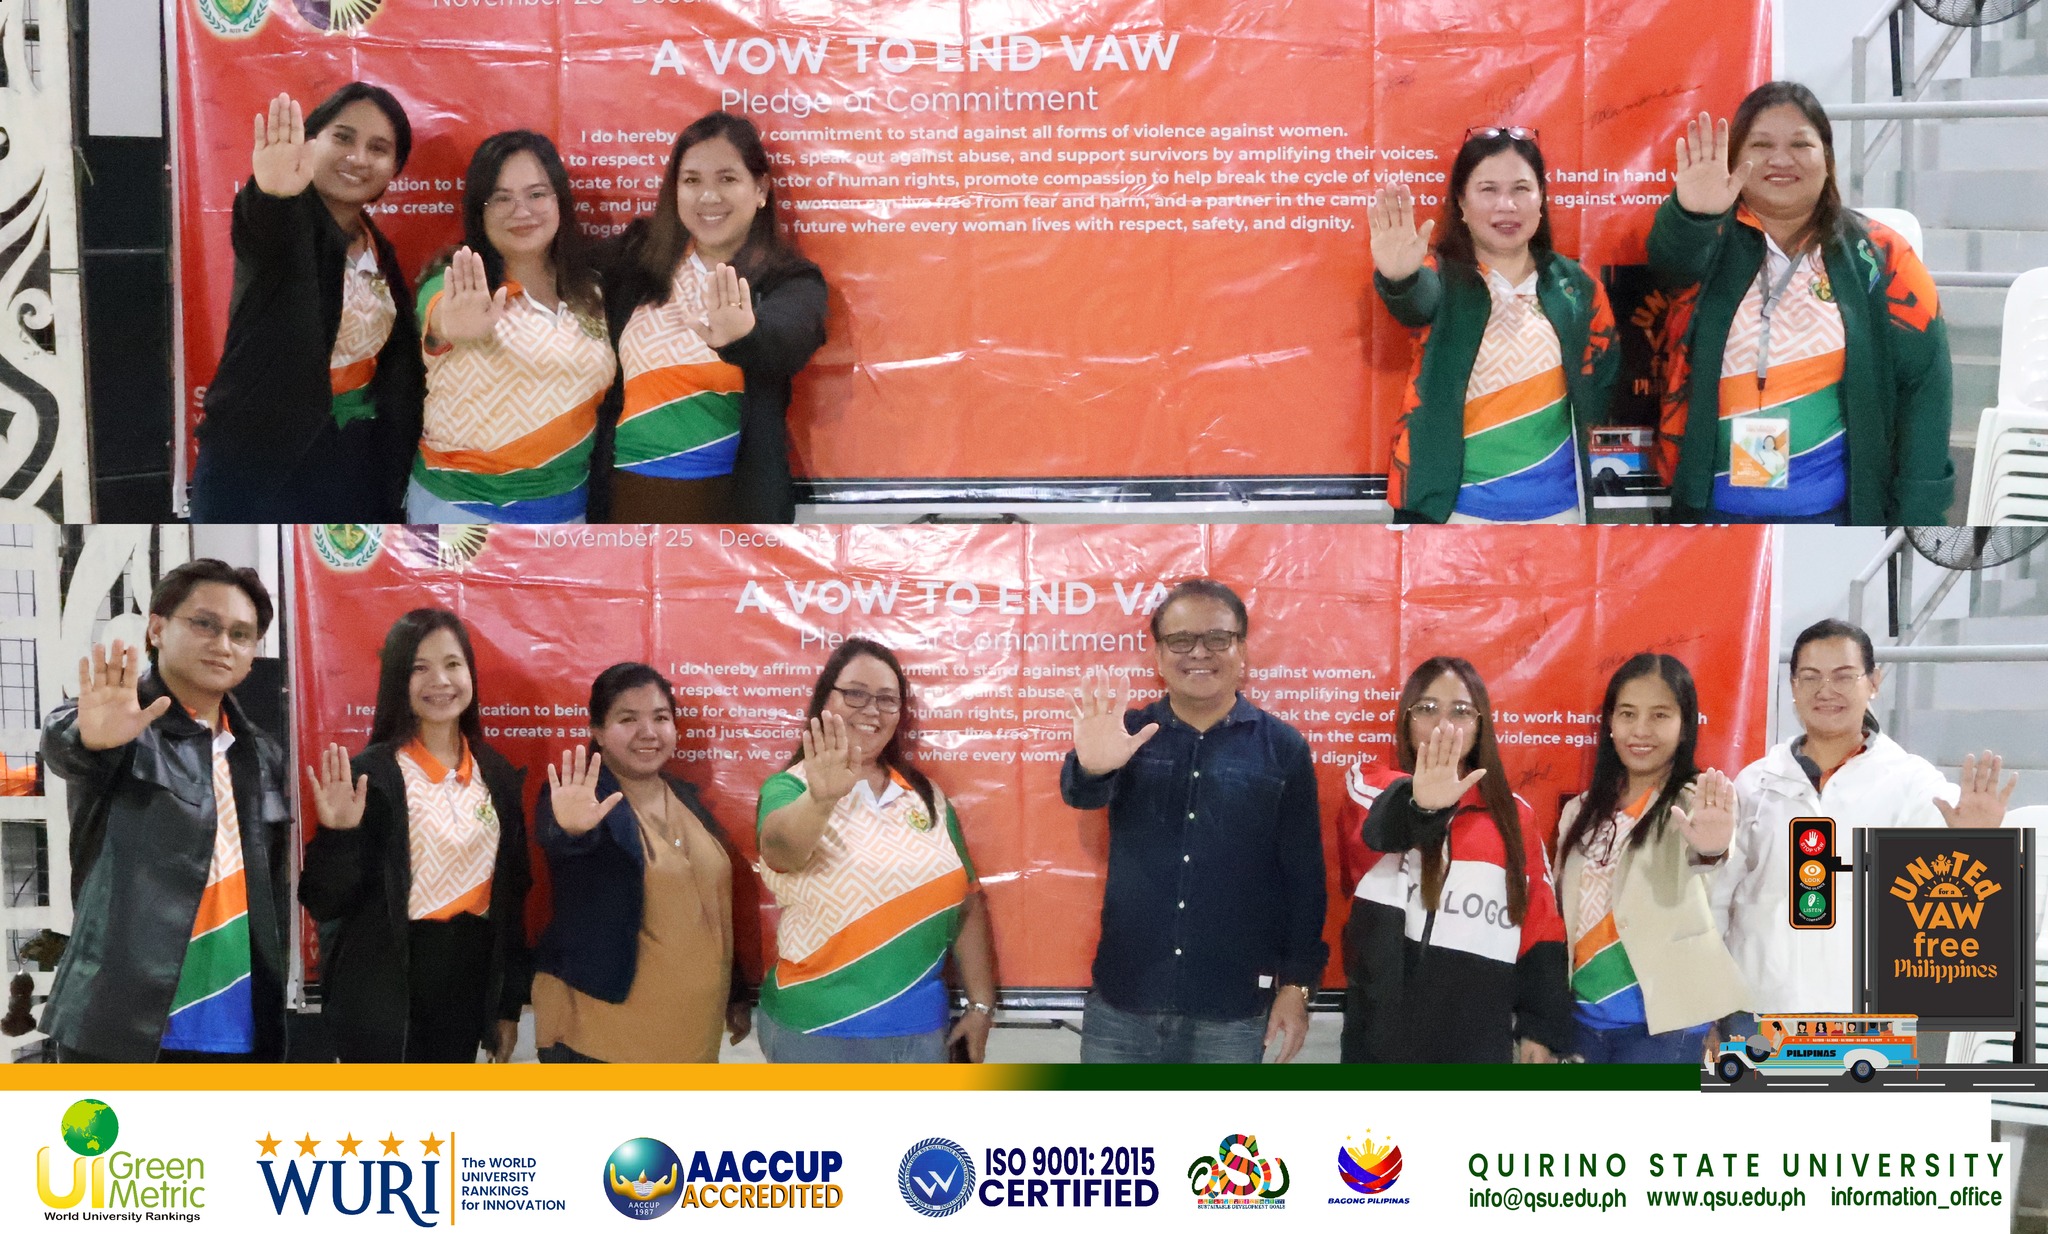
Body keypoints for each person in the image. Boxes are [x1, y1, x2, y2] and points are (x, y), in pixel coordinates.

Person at [1649, 82, 1954, 524]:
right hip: (1711, 517)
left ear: (1827, 159)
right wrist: (1693, 215)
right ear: (1735, 159)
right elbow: (1669, 264)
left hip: (1838, 517)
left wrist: (1920, 512)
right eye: (1761, 145)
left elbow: (1926, 384)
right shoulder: (1706, 241)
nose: (1780, 159)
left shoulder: (1882, 255)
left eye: (1800, 144)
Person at [1060, 579, 1326, 1064]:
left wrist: (1298, 985)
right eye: (1181, 640)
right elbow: (1080, 793)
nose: (1199, 653)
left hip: (1232, 1009)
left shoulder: (1282, 749)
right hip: (1124, 1002)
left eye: (1218, 638)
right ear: (1159, 656)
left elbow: (1304, 878)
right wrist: (1093, 768)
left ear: (1242, 650)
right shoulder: (1128, 733)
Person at [38, 560, 291, 1061]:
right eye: (205, 624)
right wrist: (91, 738)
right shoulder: (122, 721)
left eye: (241, 634)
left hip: (239, 1021)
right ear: (157, 628)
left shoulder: (261, 754)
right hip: (122, 1021)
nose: (223, 644)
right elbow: (67, 742)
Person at [1717, 619, 2015, 1012]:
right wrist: (1713, 1009)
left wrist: (1977, 844)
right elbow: (1718, 896)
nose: (1826, 690)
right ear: (1793, 687)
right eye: (1810, 677)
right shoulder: (1755, 783)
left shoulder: (1912, 782)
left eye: (1844, 676)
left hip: (1867, 1014)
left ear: (1874, 682)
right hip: (1759, 1009)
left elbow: (1955, 909)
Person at [298, 609, 532, 1063]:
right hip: (384, 997)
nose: (439, 681)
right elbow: (325, 901)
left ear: (470, 673)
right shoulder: (371, 775)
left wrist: (507, 1007)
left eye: (452, 664)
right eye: (419, 668)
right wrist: (338, 835)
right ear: (397, 680)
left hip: (466, 986)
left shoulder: (497, 774)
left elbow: (514, 894)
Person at [754, 639, 995, 1062]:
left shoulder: (928, 797)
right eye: (855, 694)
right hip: (814, 1031)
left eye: (887, 699)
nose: (872, 711)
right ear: (825, 699)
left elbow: (968, 902)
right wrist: (821, 800)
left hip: (922, 1032)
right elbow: (781, 851)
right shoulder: (790, 787)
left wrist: (981, 1006)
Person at [191, 85, 424, 522]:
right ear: (309, 142)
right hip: (262, 463)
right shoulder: (287, 224)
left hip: (356, 459)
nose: (358, 158)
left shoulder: (377, 246)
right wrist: (273, 194)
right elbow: (265, 228)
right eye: (343, 138)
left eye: (378, 148)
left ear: (394, 168)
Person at [1368, 126, 1620, 524]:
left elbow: (1602, 378)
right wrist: (1400, 278)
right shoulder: (1439, 277)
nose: (1506, 205)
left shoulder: (1577, 286)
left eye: (1521, 189)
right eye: (1488, 189)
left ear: (1541, 199)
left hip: (1558, 513)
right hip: (1452, 514)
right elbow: (1414, 303)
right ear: (1461, 203)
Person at [1335, 656, 1571, 1063]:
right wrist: (1422, 806)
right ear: (1406, 720)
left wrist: (1539, 1026)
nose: (1444, 725)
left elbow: (1541, 927)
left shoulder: (1515, 817)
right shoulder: (1371, 785)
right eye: (1427, 708)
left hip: (1478, 1045)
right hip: (1381, 1045)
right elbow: (1376, 829)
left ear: (1480, 726)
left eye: (1461, 711)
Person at [597, 111, 828, 522]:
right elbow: (560, 267)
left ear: (760, 189)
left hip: (734, 512)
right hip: (626, 504)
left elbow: (791, 337)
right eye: (691, 181)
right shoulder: (636, 260)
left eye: (727, 179)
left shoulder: (788, 279)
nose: (708, 197)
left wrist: (745, 337)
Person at [531, 664, 748, 1063]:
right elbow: (564, 845)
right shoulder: (581, 796)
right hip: (601, 1040)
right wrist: (571, 831)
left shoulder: (687, 797)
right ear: (598, 732)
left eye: (660, 718)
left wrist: (736, 992)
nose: (648, 732)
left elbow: (709, 910)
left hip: (693, 1036)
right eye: (628, 719)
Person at [406, 132, 615, 523]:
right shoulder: (456, 283)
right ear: (479, 211)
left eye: (537, 194)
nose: (522, 211)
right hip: (459, 511)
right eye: (502, 198)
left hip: (567, 507)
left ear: (559, 201)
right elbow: (440, 317)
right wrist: (451, 324)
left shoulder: (592, 290)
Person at [1554, 654, 1749, 1064]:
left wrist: (1713, 847)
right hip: (1581, 1022)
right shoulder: (1579, 811)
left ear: (1685, 725)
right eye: (1627, 714)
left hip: (1664, 1029)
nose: (1640, 730)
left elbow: (1711, 858)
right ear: (1610, 722)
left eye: (1660, 715)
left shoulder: (1696, 801)